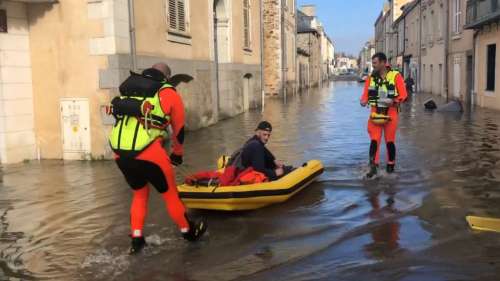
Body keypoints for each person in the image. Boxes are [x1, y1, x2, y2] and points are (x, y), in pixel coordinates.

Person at [109, 63, 207, 254]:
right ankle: (188, 232)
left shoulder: (129, 89)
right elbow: (178, 131)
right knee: (170, 194)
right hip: (149, 152)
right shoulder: (169, 93)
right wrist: (177, 154)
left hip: (120, 153)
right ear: (167, 78)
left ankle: (136, 239)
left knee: (139, 193)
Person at [360, 53, 408, 178]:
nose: (373, 65)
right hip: (375, 113)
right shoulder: (371, 78)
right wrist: (363, 101)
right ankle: (373, 167)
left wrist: (394, 101)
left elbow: (403, 94)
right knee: (374, 140)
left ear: (383, 63)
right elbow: (365, 94)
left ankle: (390, 167)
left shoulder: (396, 76)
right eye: (373, 63)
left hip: (391, 113)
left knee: (390, 141)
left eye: (375, 63)